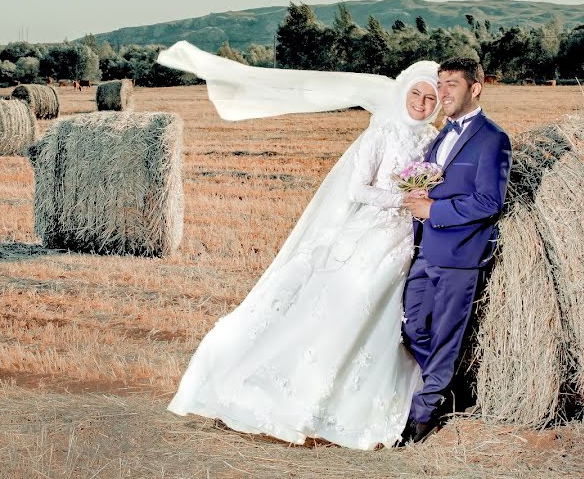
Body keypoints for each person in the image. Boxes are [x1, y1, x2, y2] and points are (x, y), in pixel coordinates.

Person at [156, 41, 441, 450]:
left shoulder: (433, 140)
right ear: (403, 92)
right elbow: (358, 189)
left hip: (404, 240)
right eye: (416, 93)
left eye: (430, 97)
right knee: (343, 307)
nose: (421, 102)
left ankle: (358, 405)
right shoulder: (383, 132)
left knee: (385, 316)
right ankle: (292, 397)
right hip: (369, 232)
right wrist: (404, 199)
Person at [401, 57, 512, 444]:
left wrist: (434, 209)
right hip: (425, 251)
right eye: (440, 82)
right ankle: (446, 387)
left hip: (461, 256)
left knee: (446, 335)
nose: (442, 92)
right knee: (412, 326)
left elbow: (488, 202)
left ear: (475, 88)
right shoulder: (438, 136)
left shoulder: (493, 139)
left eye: (452, 84)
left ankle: (423, 416)